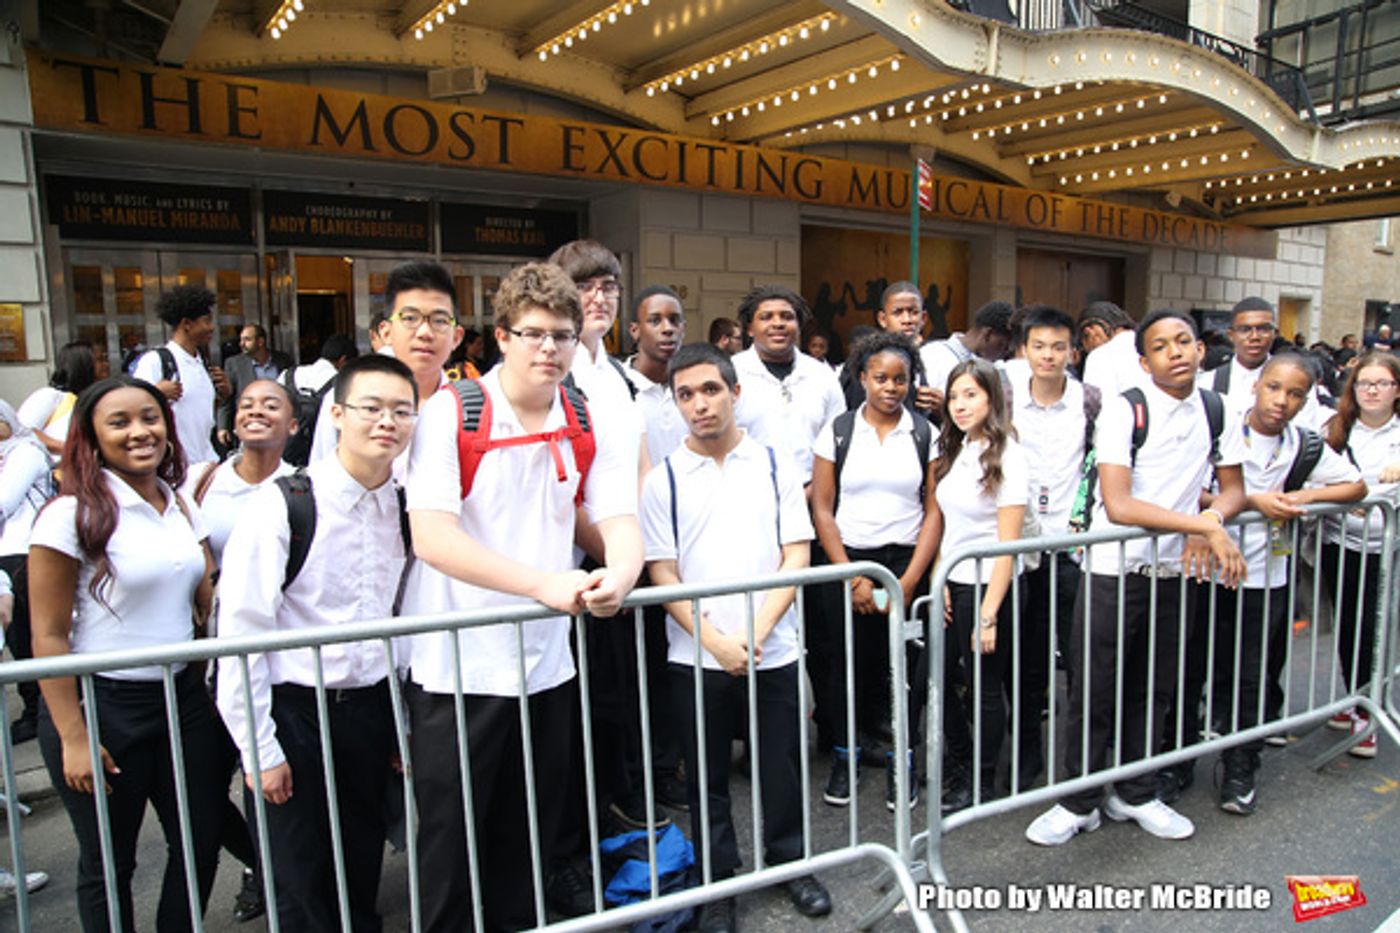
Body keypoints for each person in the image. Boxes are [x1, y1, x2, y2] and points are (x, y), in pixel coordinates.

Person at [401, 261, 642, 932]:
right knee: (452, 843)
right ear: (501, 336)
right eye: (533, 333)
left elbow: (618, 519)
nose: (550, 349)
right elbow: (433, 537)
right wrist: (543, 584)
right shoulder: (452, 410)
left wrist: (619, 575)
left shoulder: (589, 410)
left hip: (547, 663)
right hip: (460, 667)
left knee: (530, 837)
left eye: (563, 335)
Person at [1025, 309, 1248, 847]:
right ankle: (1078, 801)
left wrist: (1211, 522)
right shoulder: (1127, 411)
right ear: (1144, 361)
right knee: (1094, 687)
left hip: (1174, 569)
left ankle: (1138, 792)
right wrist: (1201, 523)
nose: (1176, 351)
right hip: (1112, 570)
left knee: (1156, 689)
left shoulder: (1219, 409)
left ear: (1200, 349)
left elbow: (1234, 488)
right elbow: (1119, 504)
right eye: (1161, 346)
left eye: (1184, 341)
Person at [216, 355, 416, 933]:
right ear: (335, 414)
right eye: (371, 408)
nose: (387, 422)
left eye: (401, 410)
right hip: (296, 712)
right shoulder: (283, 505)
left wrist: (397, 721)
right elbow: (241, 637)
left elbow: (393, 617)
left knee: (358, 860)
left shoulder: (401, 505)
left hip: (369, 711)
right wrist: (261, 751)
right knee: (301, 875)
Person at [641, 342, 831, 933]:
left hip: (772, 647)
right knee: (706, 779)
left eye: (711, 390)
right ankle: (717, 882)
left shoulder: (773, 464)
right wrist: (717, 643)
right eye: (686, 395)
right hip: (695, 656)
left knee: (781, 765)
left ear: (735, 392)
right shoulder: (663, 480)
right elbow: (662, 573)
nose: (700, 404)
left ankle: (789, 862)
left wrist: (755, 632)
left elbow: (794, 554)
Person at [29, 375, 226, 933]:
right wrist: (73, 736)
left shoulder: (180, 502)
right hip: (104, 706)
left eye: (150, 417)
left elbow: (201, 585)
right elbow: (46, 636)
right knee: (109, 863)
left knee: (200, 838)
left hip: (183, 699)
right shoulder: (68, 516)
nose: (141, 431)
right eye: (120, 422)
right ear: (90, 436)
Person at [1203, 354, 1364, 814]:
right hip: (1202, 570)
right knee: (1190, 668)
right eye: (1274, 388)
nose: (1282, 401)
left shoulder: (1305, 446)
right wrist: (1253, 501)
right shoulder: (1220, 428)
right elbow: (1188, 487)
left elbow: (1355, 487)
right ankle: (1175, 765)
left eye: (1296, 394)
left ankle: (1240, 767)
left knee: (1251, 676)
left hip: (1265, 577)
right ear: (1256, 387)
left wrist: (1303, 496)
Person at [810, 332, 940, 810]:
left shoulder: (925, 433)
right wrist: (852, 577)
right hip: (848, 560)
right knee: (846, 666)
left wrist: (906, 583)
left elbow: (933, 512)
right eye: (880, 377)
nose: (891, 387)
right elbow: (822, 509)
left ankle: (901, 761)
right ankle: (845, 757)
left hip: (905, 563)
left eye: (900, 379)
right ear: (862, 377)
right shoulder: (838, 430)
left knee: (902, 671)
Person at [1004, 305, 1100, 787]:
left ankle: (1078, 767)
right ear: (1024, 350)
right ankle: (1024, 764)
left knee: (1080, 661)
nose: (1048, 355)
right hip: (1020, 554)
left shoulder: (1092, 402)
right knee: (1025, 664)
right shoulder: (1003, 395)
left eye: (1058, 346)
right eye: (1039, 346)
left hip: (1073, 550)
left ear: (1073, 351)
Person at [933, 358, 1028, 811]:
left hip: (994, 587)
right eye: (953, 396)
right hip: (956, 582)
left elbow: (1007, 546)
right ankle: (961, 765)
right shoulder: (959, 448)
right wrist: (943, 578)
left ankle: (981, 780)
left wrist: (988, 615)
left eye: (971, 394)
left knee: (986, 686)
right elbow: (951, 528)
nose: (960, 405)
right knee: (940, 676)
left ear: (992, 397)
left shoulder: (1008, 453)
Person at [624, 285, 690, 811]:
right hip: (638, 547)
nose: (667, 329)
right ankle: (650, 768)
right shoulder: (617, 390)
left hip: (692, 541)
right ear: (635, 330)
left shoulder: (689, 386)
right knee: (646, 664)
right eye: (656, 320)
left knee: (682, 659)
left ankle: (678, 761)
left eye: (675, 320)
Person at [1320, 352, 1400, 758]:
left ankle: (1365, 712)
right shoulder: (1336, 428)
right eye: (1364, 383)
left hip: (1385, 549)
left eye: (1381, 383)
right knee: (1348, 625)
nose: (1372, 390)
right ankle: (1355, 699)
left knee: (1373, 630)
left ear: (1396, 389)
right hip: (1340, 544)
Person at [309, 263, 463, 472]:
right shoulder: (348, 397)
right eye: (410, 318)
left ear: (456, 337)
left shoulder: (469, 409)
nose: (425, 332)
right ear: (386, 332)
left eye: (439, 320)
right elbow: (321, 480)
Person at [730, 285, 844, 484]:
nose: (778, 324)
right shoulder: (730, 373)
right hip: (745, 494)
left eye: (787, 317)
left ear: (799, 326)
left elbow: (837, 441)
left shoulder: (822, 376)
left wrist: (813, 492)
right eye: (766, 317)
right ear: (749, 329)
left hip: (809, 494)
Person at [0, 401, 58, 742]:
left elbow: (5, 501)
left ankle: (40, 709)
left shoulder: (26, 451)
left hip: (23, 552)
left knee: (28, 634)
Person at [133, 284, 230, 464]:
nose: (211, 327)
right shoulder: (155, 360)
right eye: (206, 321)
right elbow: (131, 406)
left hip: (206, 463)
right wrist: (155, 393)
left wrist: (223, 395)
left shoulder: (202, 363)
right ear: (186, 324)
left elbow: (197, 412)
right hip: (174, 468)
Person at [1200, 297, 1324, 428]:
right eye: (1245, 329)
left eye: (1263, 329)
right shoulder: (1207, 383)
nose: (1254, 337)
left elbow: (1304, 431)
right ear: (1231, 335)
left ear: (1275, 333)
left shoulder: (1297, 383)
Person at [840, 282, 937, 415]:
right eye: (898, 313)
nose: (907, 320)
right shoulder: (866, 360)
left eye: (913, 312)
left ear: (923, 318)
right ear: (882, 319)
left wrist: (940, 408)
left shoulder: (930, 357)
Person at [918, 300, 1015, 417]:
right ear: (988, 334)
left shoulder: (997, 369)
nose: (1003, 354)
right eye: (1002, 346)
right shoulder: (934, 355)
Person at [19, 341, 100, 457]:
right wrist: (69, 449)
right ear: (82, 364)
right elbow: (22, 432)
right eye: (100, 360)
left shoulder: (98, 401)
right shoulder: (50, 396)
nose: (106, 365)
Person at [219, 324, 291, 448]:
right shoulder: (234, 364)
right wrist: (223, 426)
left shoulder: (282, 361)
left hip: (278, 425)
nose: (241, 344)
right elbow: (227, 398)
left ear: (260, 342)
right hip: (250, 425)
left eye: (247, 340)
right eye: (241, 339)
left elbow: (291, 393)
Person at [1080, 300, 1146, 399]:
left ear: (1089, 332)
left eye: (1084, 345)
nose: (1088, 350)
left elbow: (1096, 408)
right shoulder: (1150, 347)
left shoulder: (1099, 357)